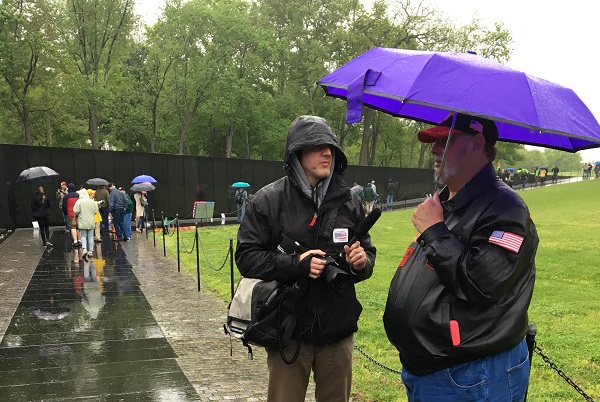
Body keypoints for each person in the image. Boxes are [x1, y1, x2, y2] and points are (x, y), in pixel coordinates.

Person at [383, 113, 538, 402]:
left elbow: (481, 284)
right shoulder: (448, 201)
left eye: (446, 140)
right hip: (431, 369)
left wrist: (434, 231)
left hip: (472, 374)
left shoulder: (506, 208)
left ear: (477, 143)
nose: (433, 149)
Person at [235, 115, 376, 402]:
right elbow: (247, 258)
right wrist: (295, 264)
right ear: (297, 153)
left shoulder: (350, 201)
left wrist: (362, 262)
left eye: (331, 148)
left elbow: (367, 253)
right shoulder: (268, 200)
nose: (328, 153)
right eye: (318, 146)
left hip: (338, 331)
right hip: (287, 330)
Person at [73, 188, 98, 259]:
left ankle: (84, 249)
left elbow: (76, 211)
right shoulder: (92, 201)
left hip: (82, 220)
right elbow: (96, 211)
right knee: (90, 236)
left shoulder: (79, 201)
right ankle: (91, 251)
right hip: (91, 221)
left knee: (83, 235)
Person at [63, 183, 82, 248]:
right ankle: (79, 240)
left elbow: (64, 206)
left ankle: (75, 241)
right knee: (78, 227)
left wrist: (66, 213)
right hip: (78, 214)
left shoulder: (66, 196)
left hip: (70, 213)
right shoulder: (78, 195)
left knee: (72, 227)